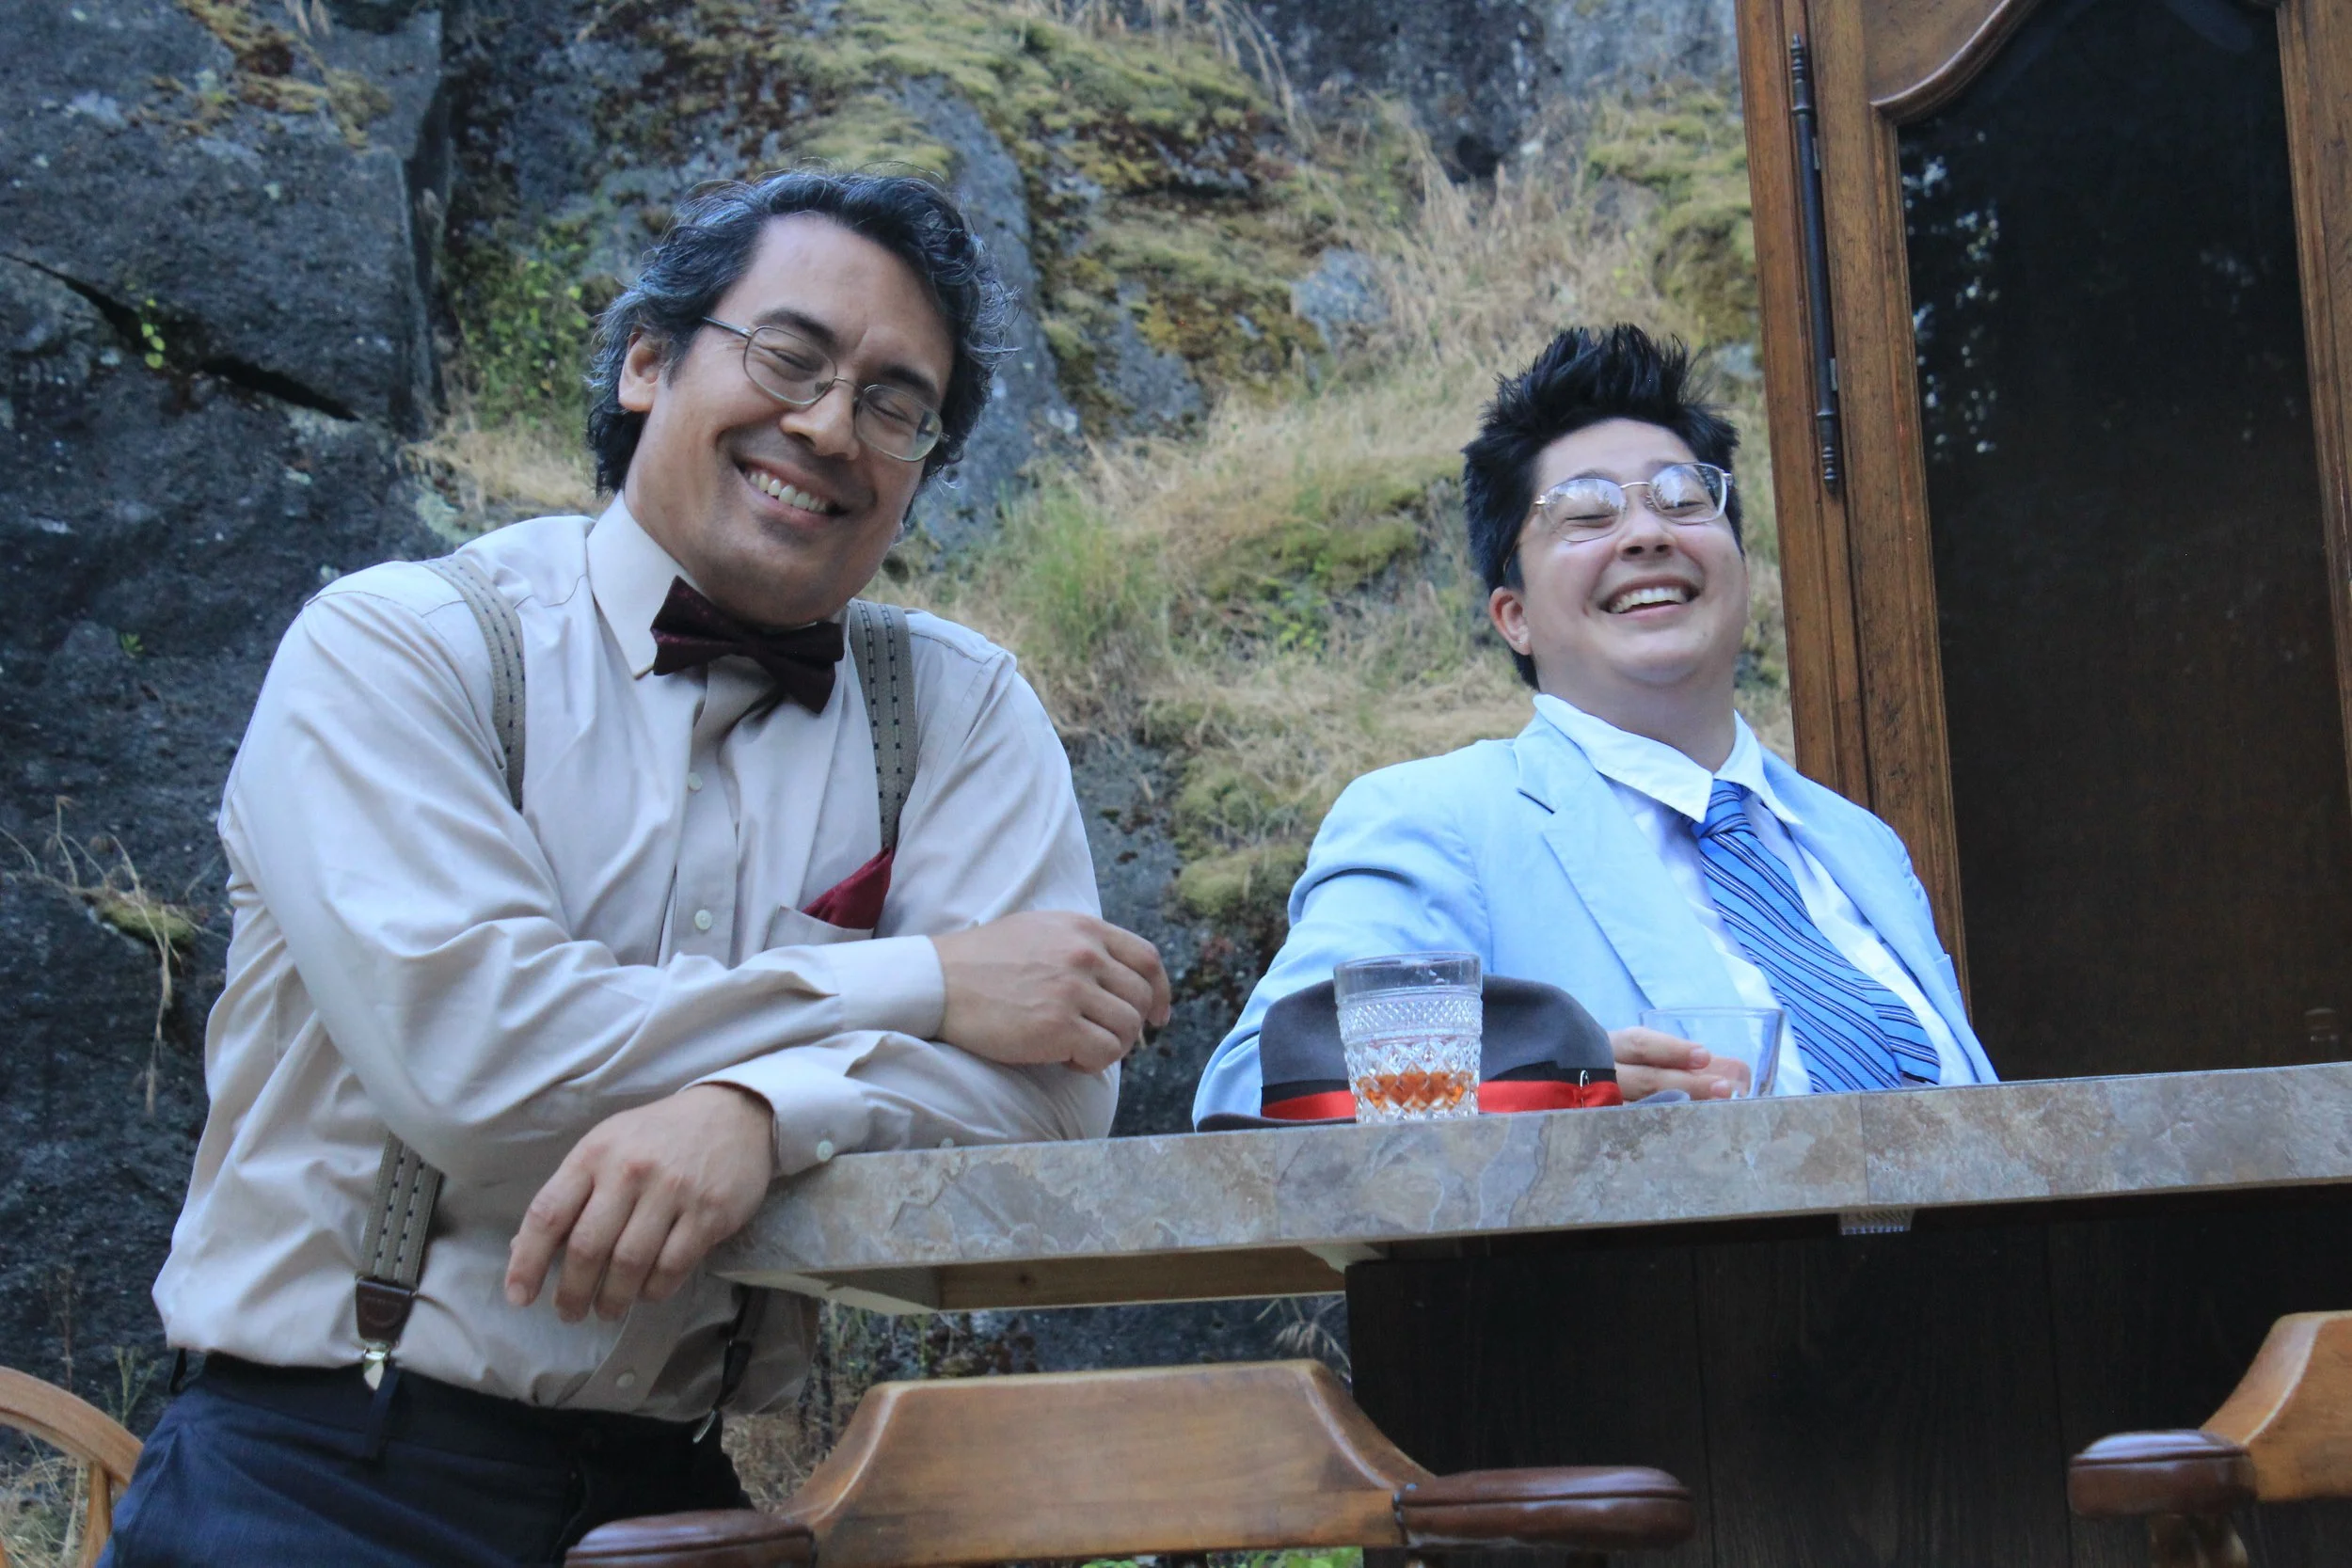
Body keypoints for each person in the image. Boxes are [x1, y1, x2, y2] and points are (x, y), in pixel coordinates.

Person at [105, 169, 1171, 1565]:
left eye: (893, 404)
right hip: (318, 1470)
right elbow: (481, 1058)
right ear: (649, 361)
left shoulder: (959, 711)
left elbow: (1053, 1092)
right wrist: (922, 982)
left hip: (678, 1491)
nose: (828, 426)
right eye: (788, 356)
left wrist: (763, 1108)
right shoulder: (399, 647)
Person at [1193, 324, 1994, 1125]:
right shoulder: (1438, 822)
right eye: (1585, 513)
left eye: (1684, 499)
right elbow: (1251, 1095)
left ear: (1741, 568)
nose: (1648, 533)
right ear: (1514, 617)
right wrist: (1550, 1084)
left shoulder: (1857, 844)